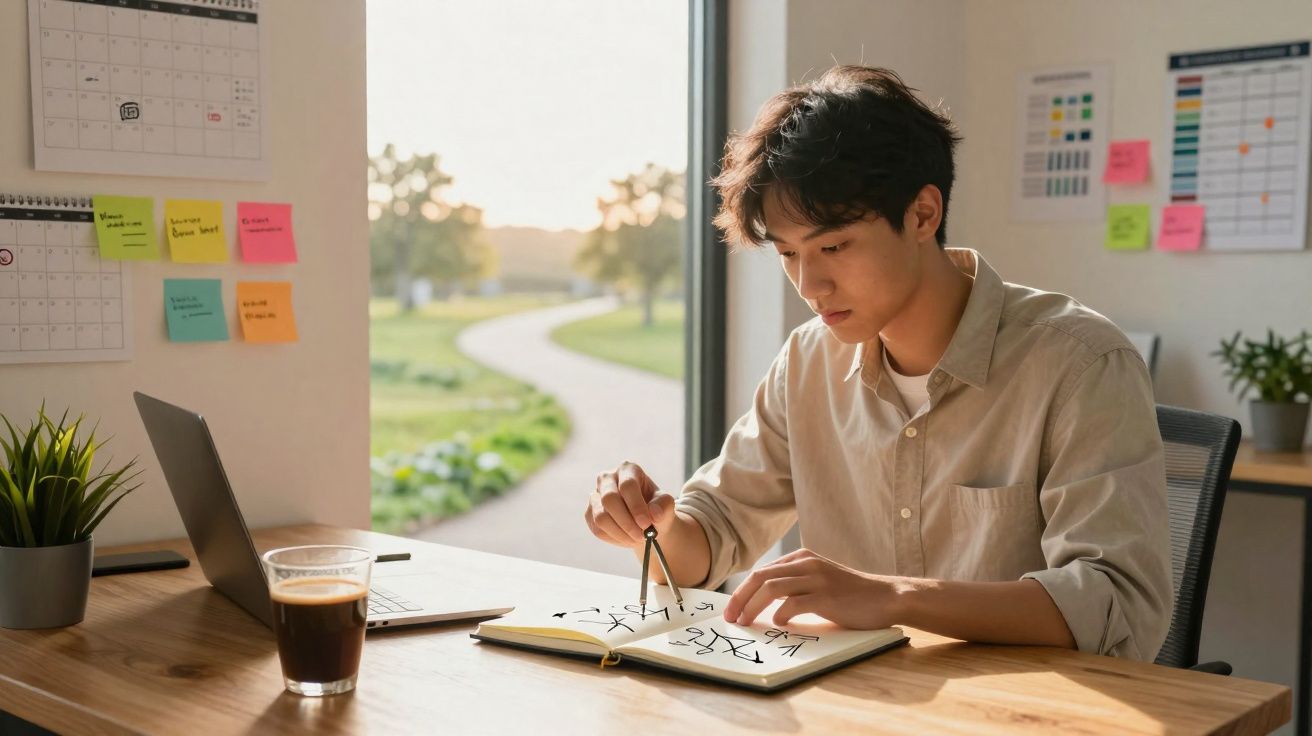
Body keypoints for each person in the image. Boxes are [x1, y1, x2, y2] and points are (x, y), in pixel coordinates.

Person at [583, 65, 1172, 661]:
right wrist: (651, 526)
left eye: (833, 246)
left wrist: (893, 597)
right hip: (858, 706)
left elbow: (1113, 603)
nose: (810, 284)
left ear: (922, 215)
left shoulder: (1082, 363)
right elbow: (710, 539)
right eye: (789, 253)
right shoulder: (808, 360)